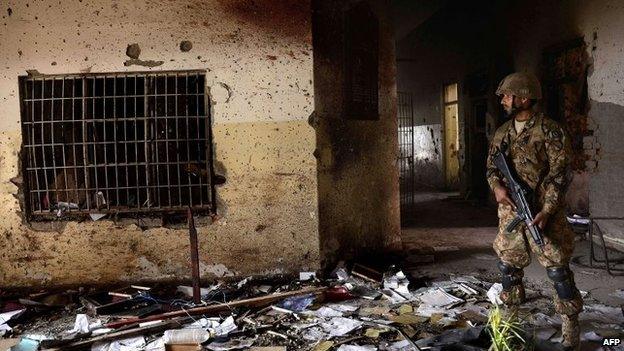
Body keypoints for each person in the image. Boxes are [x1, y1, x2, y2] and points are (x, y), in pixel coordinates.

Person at [486, 72, 583, 350]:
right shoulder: (502, 132)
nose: (504, 99)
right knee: (508, 268)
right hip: (511, 213)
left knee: (558, 271)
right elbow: (492, 167)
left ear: (524, 98)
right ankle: (508, 324)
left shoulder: (551, 130)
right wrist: (497, 189)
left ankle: (570, 328)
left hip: (542, 212)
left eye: (508, 95)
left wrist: (548, 210)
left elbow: (559, 174)